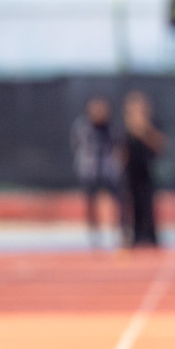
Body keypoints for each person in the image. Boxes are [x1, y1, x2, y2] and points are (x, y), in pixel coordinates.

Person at [72, 97, 121, 246]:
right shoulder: (82, 126)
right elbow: (79, 144)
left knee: (116, 201)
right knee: (91, 204)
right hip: (90, 170)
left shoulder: (112, 127)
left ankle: (117, 232)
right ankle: (94, 234)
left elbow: (117, 146)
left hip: (108, 170)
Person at [122, 91, 164, 248]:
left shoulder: (152, 126)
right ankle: (134, 237)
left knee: (148, 205)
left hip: (147, 172)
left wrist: (144, 130)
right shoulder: (124, 129)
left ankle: (151, 237)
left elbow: (161, 145)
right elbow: (120, 153)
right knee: (131, 207)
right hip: (130, 174)